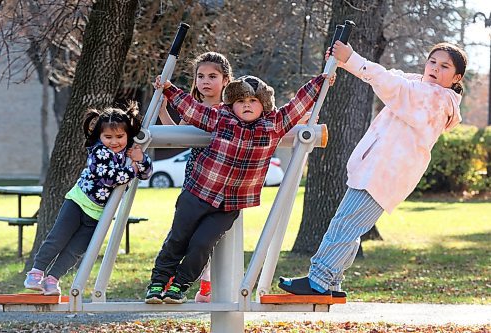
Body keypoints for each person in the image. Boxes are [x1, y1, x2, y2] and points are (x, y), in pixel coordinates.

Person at [279, 41, 467, 298]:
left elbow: (392, 84)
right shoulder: (420, 86)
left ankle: (318, 281)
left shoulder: (435, 99)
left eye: (444, 66)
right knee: (350, 226)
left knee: (344, 224)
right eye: (432, 62)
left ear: (456, 77)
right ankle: (331, 282)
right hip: (375, 170)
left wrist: (352, 58)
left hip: (383, 174)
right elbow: (390, 76)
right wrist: (344, 61)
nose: (435, 68)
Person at [145, 70, 332, 304]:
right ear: (231, 104)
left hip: (230, 204)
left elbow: (297, 105)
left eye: (253, 101)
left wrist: (320, 81)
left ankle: (179, 285)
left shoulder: (273, 125)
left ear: (263, 105)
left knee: (202, 244)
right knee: (178, 239)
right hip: (198, 192)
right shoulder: (219, 118)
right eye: (241, 101)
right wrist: (169, 89)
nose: (247, 105)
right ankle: (158, 283)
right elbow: (191, 108)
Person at [24, 102, 153, 296]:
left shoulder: (129, 154)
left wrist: (141, 158)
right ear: (100, 136)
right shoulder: (98, 152)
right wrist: (133, 168)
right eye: (108, 137)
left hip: (99, 214)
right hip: (79, 202)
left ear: (128, 135)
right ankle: (36, 272)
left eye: (120, 136)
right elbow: (110, 178)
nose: (114, 141)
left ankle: (52, 279)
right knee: (58, 238)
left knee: (76, 250)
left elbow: (147, 173)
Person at [158, 51, 233, 303]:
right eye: (200, 76)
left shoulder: (231, 110)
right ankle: (169, 279)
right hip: (195, 182)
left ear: (225, 80)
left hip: (222, 184)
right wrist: (162, 111)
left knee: (206, 240)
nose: (205, 81)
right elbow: (177, 137)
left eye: (213, 76)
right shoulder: (194, 108)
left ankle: (206, 286)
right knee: (183, 234)